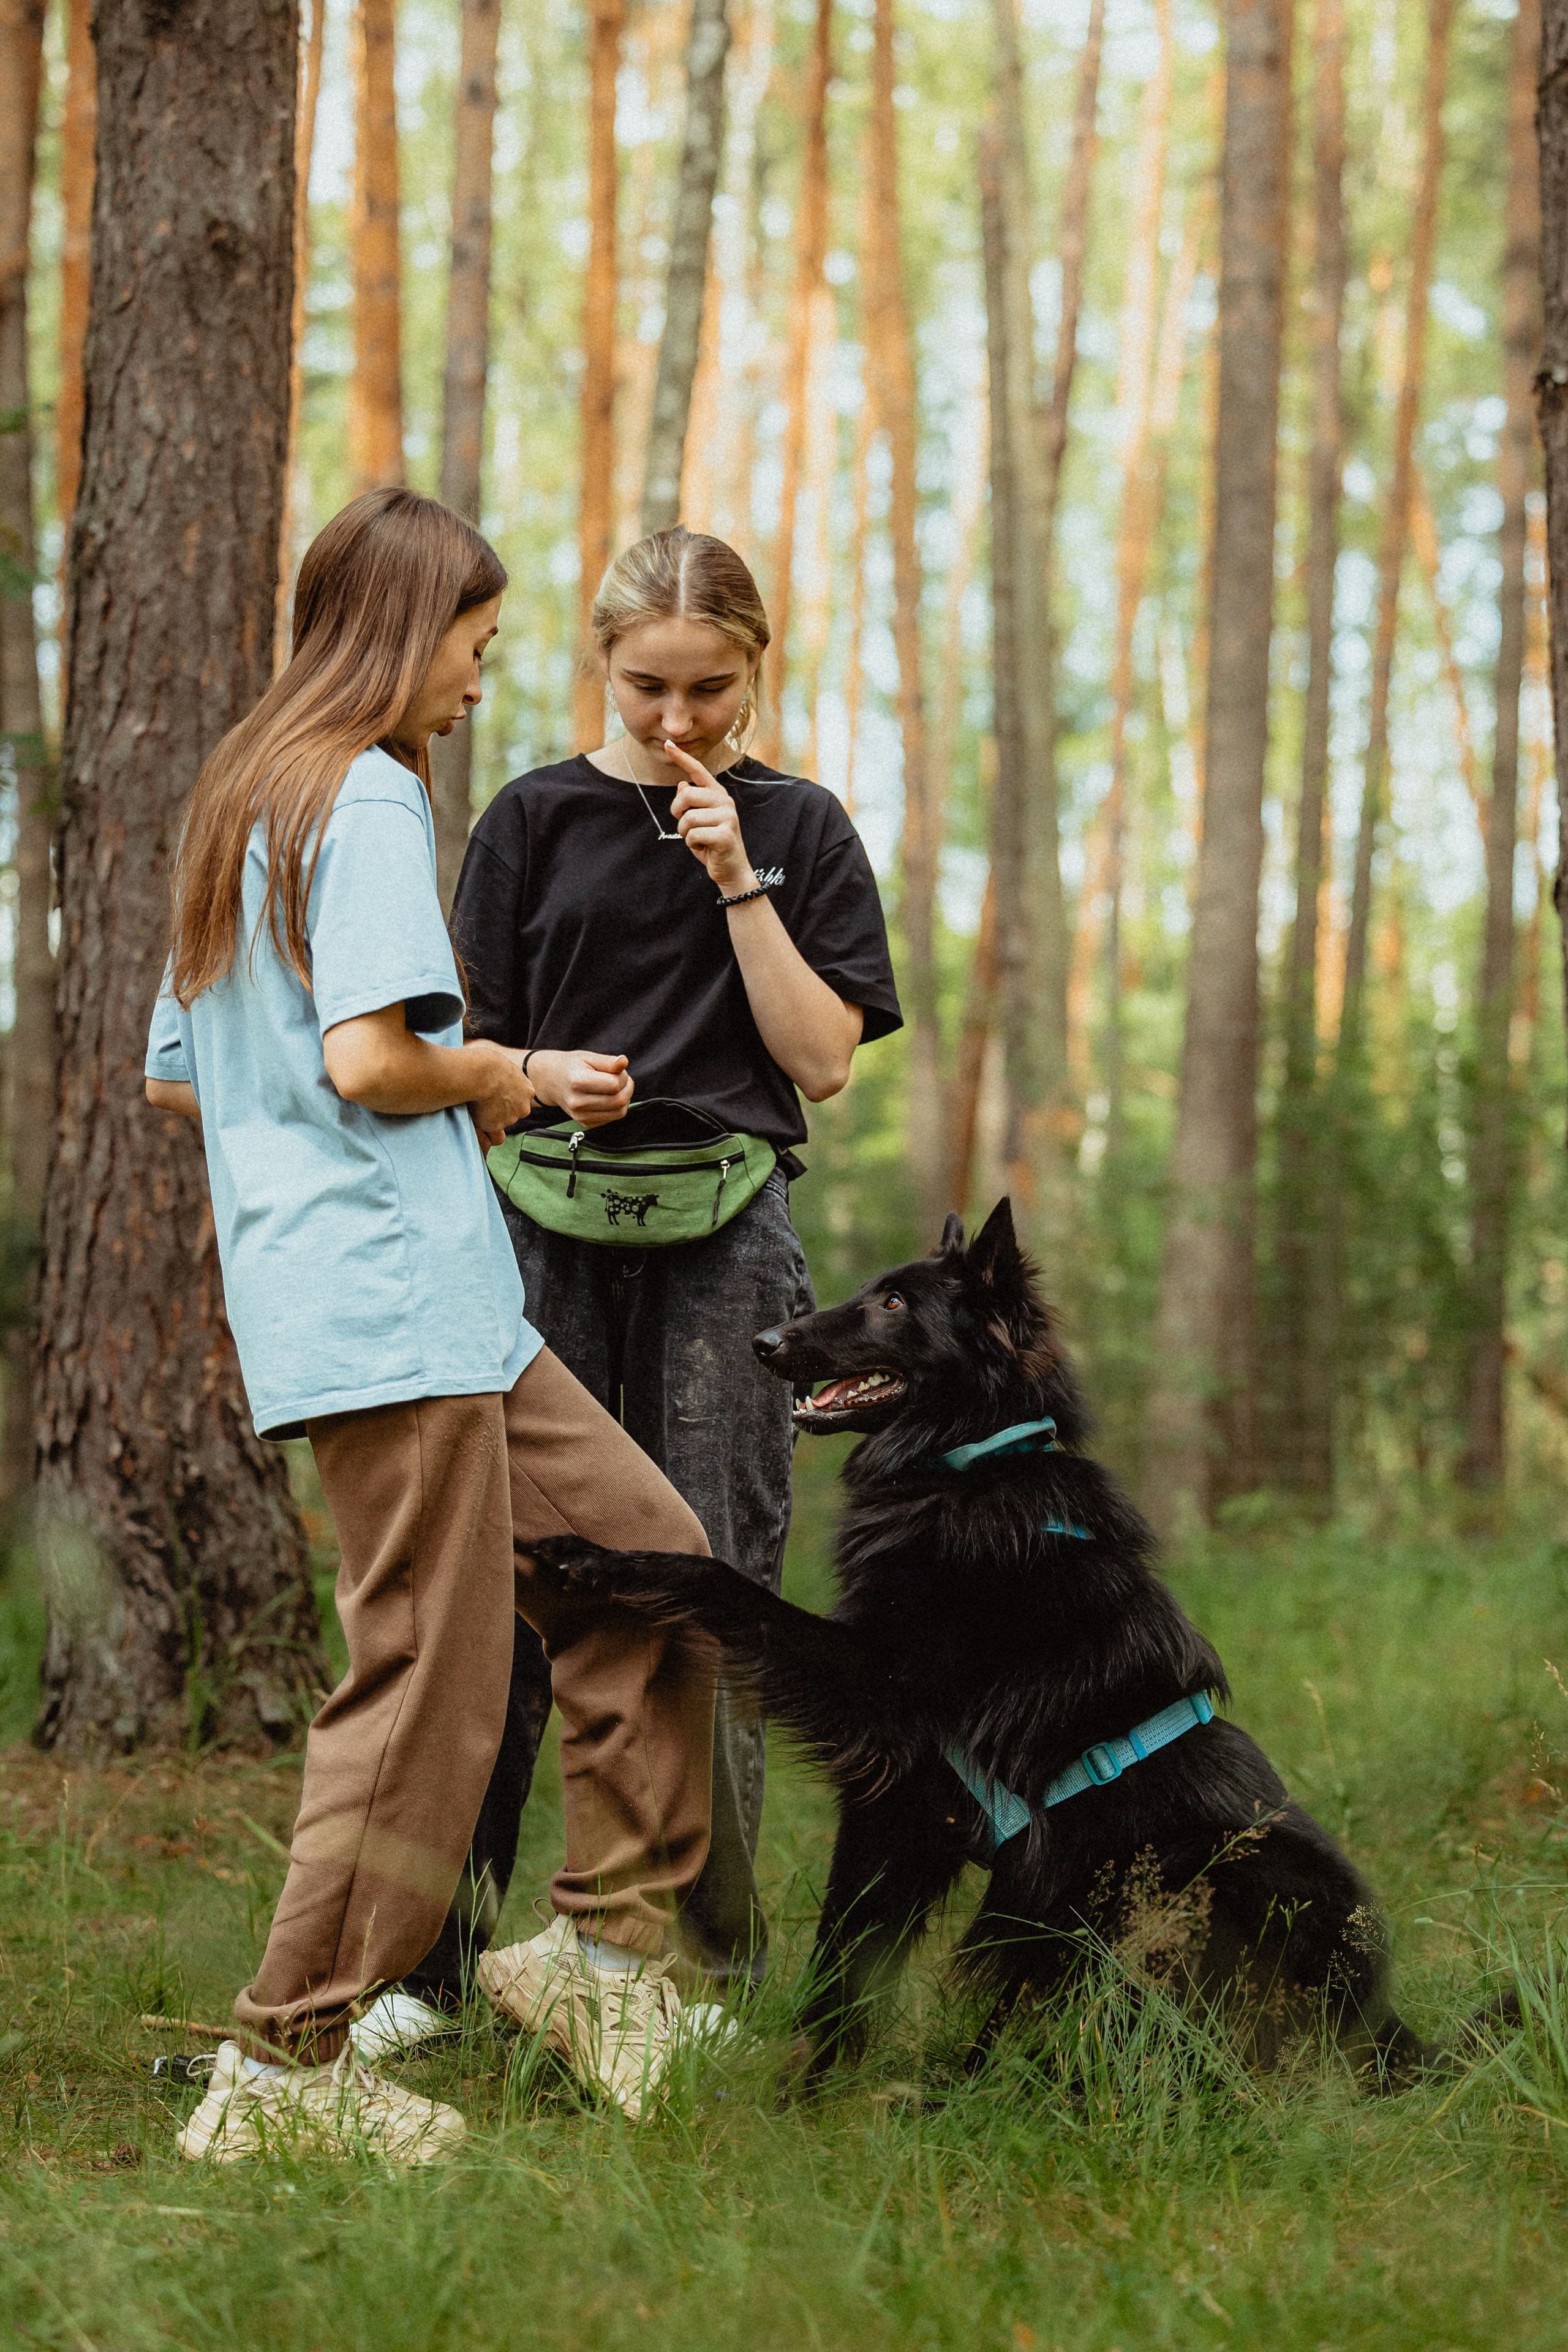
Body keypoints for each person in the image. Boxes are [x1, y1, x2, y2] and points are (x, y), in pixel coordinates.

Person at [143, 489, 722, 2163]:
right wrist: (516, 1073)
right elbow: (372, 1064)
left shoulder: (239, 798)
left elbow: (181, 1075)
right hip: (394, 1313)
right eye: (474, 643)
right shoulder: (366, 795)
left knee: (650, 1563)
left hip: (441, 1306)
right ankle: (286, 2071)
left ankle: (604, 1954)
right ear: (408, 635)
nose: (482, 674)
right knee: (427, 1692)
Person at [358, 525, 901, 2058]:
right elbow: (458, 1072)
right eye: (647, 687)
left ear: (756, 669)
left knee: (716, 1586)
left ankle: (695, 1977)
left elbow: (816, 1064)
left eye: (710, 691)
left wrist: (739, 882)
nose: (679, 723)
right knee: (514, 1588)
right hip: (535, 1231)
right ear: (600, 667)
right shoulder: (529, 820)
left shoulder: (800, 823)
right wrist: (538, 1082)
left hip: (731, 1241)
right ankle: (436, 1967)